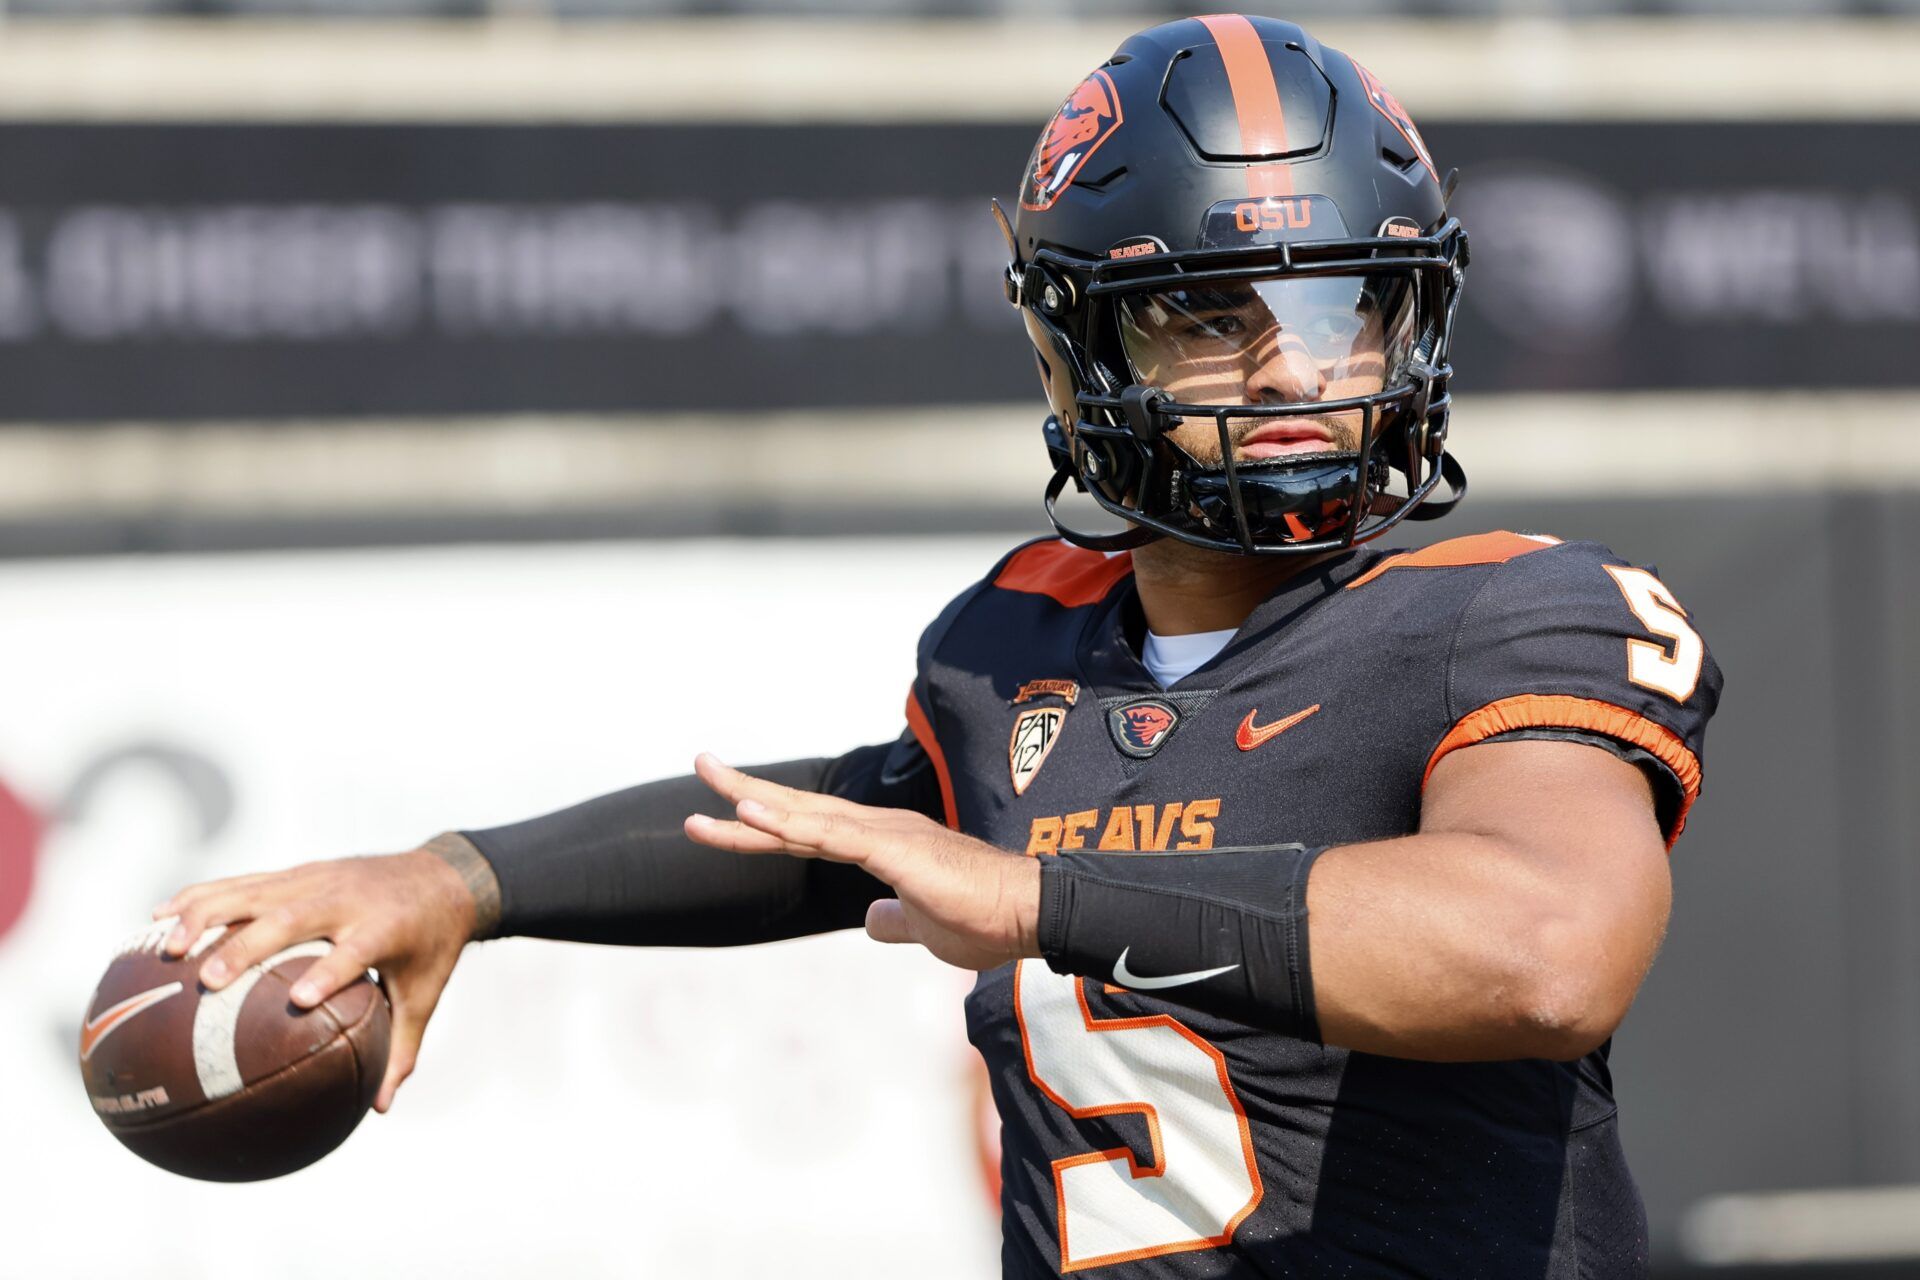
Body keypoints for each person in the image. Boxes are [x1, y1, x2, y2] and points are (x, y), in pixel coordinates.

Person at [153, 15, 1721, 1277]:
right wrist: (458, 881)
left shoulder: (1507, 614)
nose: (1297, 371)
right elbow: (848, 832)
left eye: (1343, 310)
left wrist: (1044, 894)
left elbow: (1544, 956)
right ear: (1073, 343)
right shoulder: (1017, 645)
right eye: (1211, 318)